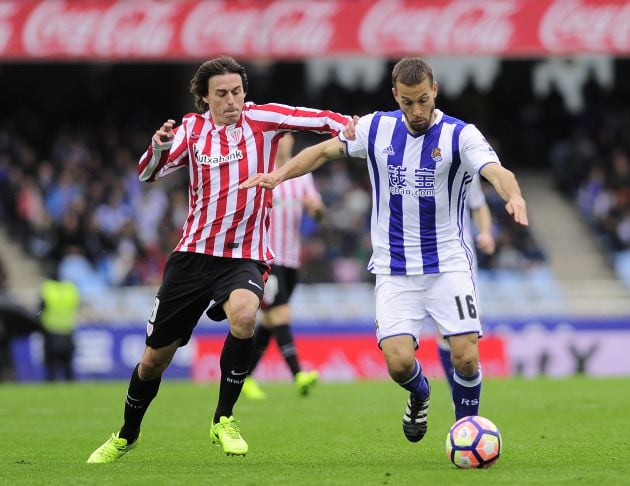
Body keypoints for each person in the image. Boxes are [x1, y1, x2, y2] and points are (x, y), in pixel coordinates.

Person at [241, 57, 528, 444]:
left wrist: (514, 196)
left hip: (448, 264)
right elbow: (323, 152)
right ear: (396, 96)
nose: (416, 110)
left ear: (435, 91)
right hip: (394, 269)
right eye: (408, 102)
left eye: (423, 100)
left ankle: (465, 429)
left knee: (466, 354)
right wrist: (278, 175)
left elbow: (496, 171)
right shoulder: (377, 128)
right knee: (398, 363)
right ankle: (420, 394)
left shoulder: (461, 135)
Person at [87, 55, 351, 463]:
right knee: (154, 360)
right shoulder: (191, 130)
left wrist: (354, 128)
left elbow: (317, 119)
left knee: (245, 316)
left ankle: (223, 419)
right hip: (192, 256)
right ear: (205, 99)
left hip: (244, 255)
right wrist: (157, 148)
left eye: (237, 91)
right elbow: (148, 173)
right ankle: (126, 434)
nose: (232, 100)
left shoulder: (263, 119)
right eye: (222, 94)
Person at [241, 133, 323, 400]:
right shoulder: (261, 172)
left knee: (270, 320)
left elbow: (319, 213)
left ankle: (245, 376)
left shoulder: (302, 176)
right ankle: (299, 375)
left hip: (291, 261)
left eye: (287, 136)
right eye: (279, 135)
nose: (284, 141)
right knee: (281, 315)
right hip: (268, 259)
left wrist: (315, 209)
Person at [435, 176, 495, 392]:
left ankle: (461, 396)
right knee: (443, 332)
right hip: (424, 261)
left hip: (460, 261)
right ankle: (456, 393)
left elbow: (478, 205)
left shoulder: (465, 166)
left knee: (462, 331)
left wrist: (486, 233)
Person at [40, 277, 80, 381]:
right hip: (67, 331)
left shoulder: (48, 288)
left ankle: (51, 386)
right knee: (67, 366)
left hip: (51, 331)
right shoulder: (71, 289)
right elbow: (77, 305)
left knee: (51, 366)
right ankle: (70, 389)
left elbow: (40, 308)